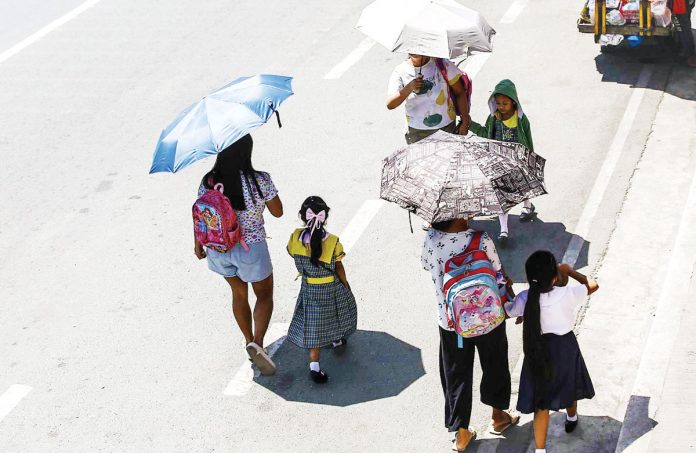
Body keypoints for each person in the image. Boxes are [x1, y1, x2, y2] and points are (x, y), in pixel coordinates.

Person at [421, 217, 519, 452]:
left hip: (452, 322)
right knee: (495, 363)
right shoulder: (481, 238)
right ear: (461, 215)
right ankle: (498, 416)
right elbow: (498, 272)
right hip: (489, 317)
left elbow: (427, 266)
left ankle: (461, 433)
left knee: (456, 373)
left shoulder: (431, 240)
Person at [194, 134, 283, 376]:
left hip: (218, 248)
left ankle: (247, 340)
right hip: (250, 248)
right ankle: (258, 342)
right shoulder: (258, 180)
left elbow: (201, 214)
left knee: (238, 293)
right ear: (247, 153)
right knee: (264, 295)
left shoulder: (208, 181)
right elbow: (278, 212)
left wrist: (198, 244)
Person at [504, 251, 599, 453]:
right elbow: (593, 285)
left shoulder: (525, 298)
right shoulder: (566, 294)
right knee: (569, 383)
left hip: (536, 349)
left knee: (541, 401)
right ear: (554, 277)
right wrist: (570, 271)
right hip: (565, 347)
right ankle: (571, 417)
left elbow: (509, 310)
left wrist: (509, 291)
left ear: (530, 278)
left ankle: (540, 450)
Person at [286, 196, 357, 384]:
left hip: (309, 288)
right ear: (325, 217)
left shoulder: (295, 237)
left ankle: (315, 366)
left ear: (303, 216)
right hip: (330, 286)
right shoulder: (333, 241)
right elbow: (339, 267)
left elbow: (291, 252)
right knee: (336, 313)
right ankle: (336, 340)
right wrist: (345, 284)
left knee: (314, 325)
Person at [470, 79, 536, 245]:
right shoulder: (493, 119)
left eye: (505, 103)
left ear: (514, 102)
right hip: (499, 163)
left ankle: (528, 206)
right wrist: (469, 124)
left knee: (522, 187)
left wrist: (530, 159)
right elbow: (486, 133)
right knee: (501, 196)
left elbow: (528, 139)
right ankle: (504, 231)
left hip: (517, 161)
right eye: (498, 103)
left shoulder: (521, 120)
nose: (501, 106)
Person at [387, 54, 471, 144]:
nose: (414, 50)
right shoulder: (400, 71)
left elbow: (460, 93)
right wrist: (409, 87)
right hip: (417, 131)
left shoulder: (442, 64)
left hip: (446, 127)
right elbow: (390, 104)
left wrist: (465, 120)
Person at [671, 0, 696, 67]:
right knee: (684, 26)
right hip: (686, 5)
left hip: (680, 6)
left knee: (683, 29)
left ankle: (691, 57)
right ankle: (682, 49)